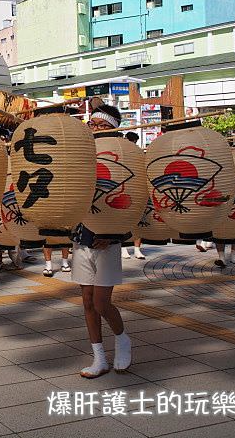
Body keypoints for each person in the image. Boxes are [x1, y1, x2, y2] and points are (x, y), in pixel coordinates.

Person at [73, 104, 131, 378]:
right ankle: (98, 357)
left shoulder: (125, 155)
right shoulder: (81, 154)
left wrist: (115, 234)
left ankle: (122, 339)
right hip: (82, 235)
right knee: (86, 301)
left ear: (114, 128)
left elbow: (133, 199)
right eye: (92, 124)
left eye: (101, 125)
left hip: (108, 238)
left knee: (101, 302)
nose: (94, 129)